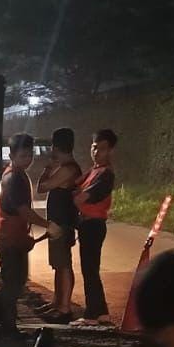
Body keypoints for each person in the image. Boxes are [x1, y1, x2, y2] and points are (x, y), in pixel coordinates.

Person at [0, 133, 63, 344]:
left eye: (30, 155)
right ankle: (6, 329)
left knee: (15, 282)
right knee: (13, 285)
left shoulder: (19, 175)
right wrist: (48, 225)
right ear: (12, 155)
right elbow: (24, 211)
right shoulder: (12, 178)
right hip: (9, 240)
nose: (27, 159)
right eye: (23, 155)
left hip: (15, 239)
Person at [71, 129, 117, 326]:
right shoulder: (93, 171)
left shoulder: (105, 175)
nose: (97, 152)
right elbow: (74, 186)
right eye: (94, 147)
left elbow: (80, 198)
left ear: (111, 151)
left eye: (102, 149)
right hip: (87, 225)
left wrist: (74, 196)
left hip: (93, 225)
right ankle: (101, 312)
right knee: (91, 270)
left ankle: (91, 315)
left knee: (89, 270)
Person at [37, 127, 81, 323]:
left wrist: (47, 169)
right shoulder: (67, 167)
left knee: (63, 265)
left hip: (63, 223)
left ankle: (64, 307)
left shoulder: (68, 169)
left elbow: (42, 187)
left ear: (55, 146)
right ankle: (57, 302)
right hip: (58, 222)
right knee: (58, 264)